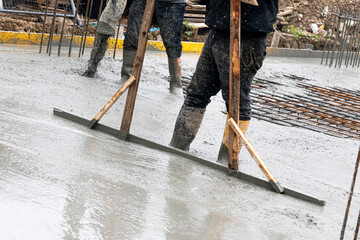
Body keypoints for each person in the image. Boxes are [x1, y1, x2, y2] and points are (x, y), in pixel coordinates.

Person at [169, 0, 279, 165]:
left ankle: (227, 160)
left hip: (247, 36)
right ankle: (176, 149)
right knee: (197, 93)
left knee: (236, 102)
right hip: (218, 30)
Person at [85, 0, 187, 95]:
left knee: (172, 42)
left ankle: (176, 84)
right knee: (133, 36)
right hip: (142, 1)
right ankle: (127, 76)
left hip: (172, 2)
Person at [83, 0, 128, 77]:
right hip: (108, 18)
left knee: (100, 44)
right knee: (100, 44)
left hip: (110, 20)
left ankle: (91, 69)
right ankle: (91, 68)